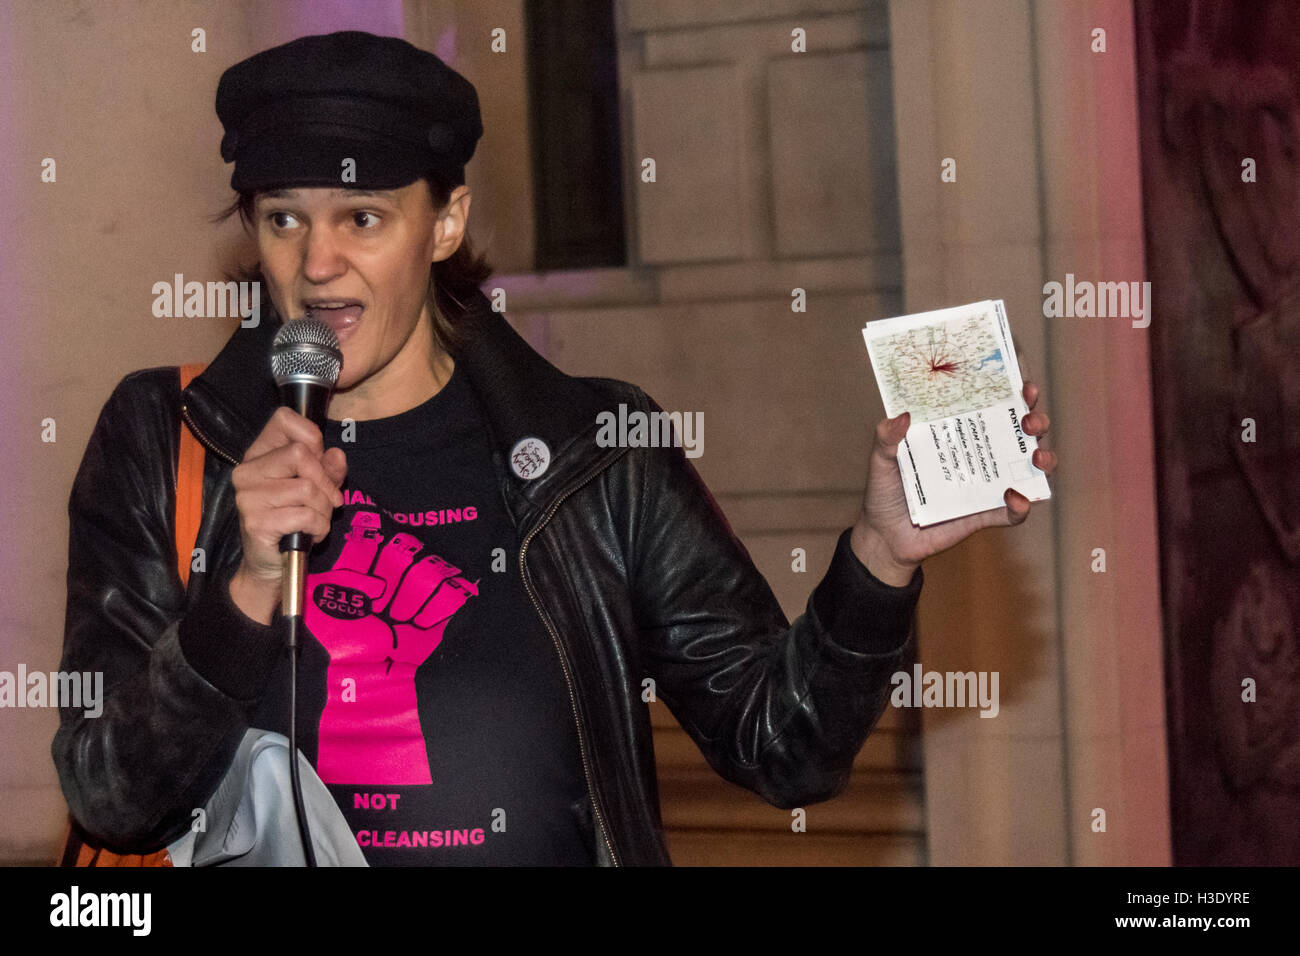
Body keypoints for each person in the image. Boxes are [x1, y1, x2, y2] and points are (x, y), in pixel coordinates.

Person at [52, 31, 1057, 867]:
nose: (318, 265)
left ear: (444, 221)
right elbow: (109, 794)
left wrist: (878, 560)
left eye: (363, 218)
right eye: (283, 221)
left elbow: (782, 745)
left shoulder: (593, 448)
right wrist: (243, 594)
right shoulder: (164, 436)